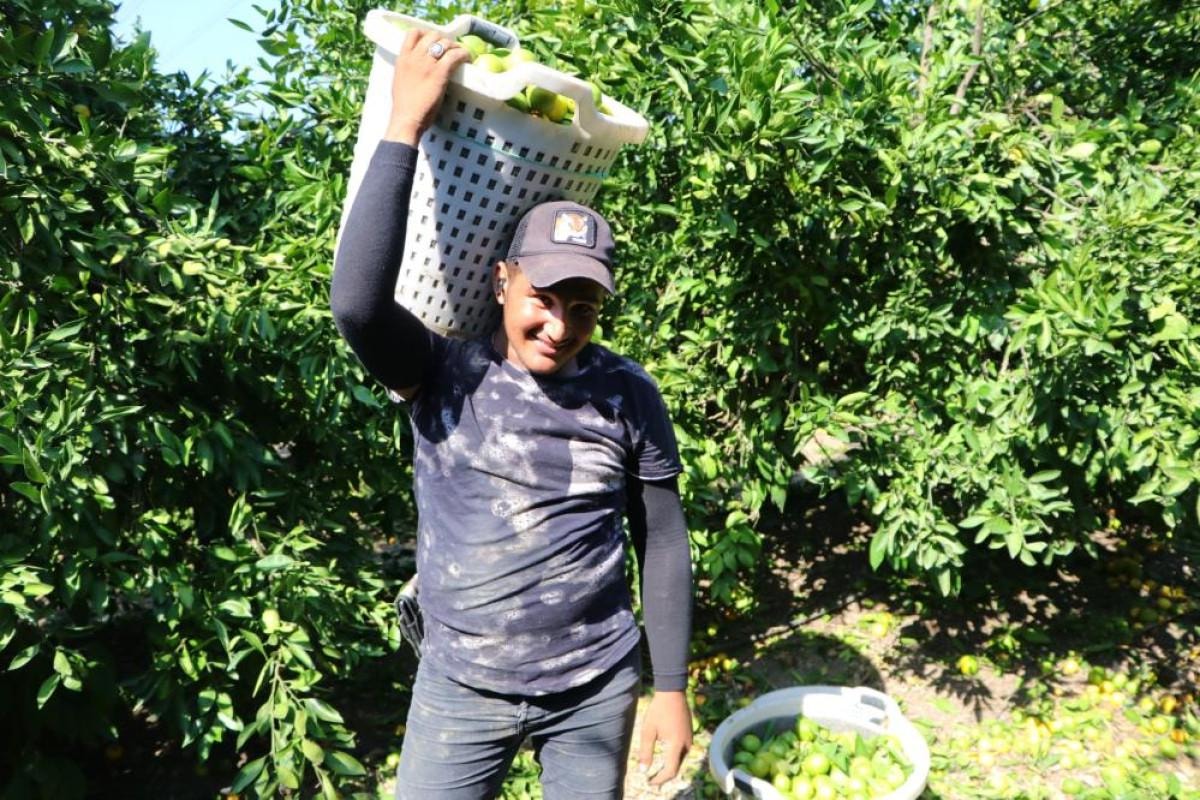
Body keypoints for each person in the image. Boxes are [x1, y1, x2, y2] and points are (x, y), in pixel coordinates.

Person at [330, 27, 693, 800]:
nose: (560, 325)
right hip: (461, 685)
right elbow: (358, 305)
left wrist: (670, 687)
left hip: (594, 685)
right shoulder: (443, 370)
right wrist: (405, 124)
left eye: (583, 307)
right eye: (543, 298)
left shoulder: (626, 392)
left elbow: (660, 535)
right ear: (502, 282)